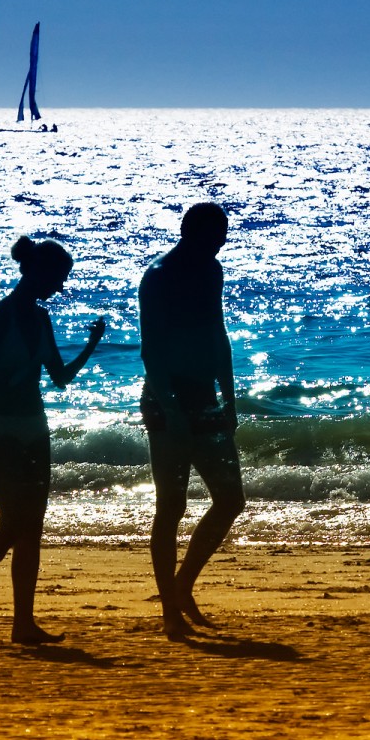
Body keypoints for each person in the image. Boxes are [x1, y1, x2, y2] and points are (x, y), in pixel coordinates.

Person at [0, 236, 105, 644]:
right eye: (57, 278)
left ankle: (23, 624)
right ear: (36, 272)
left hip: (35, 430)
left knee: (32, 529)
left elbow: (59, 378)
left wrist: (91, 345)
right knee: (11, 526)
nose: (60, 288)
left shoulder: (41, 320)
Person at [139, 202, 245, 640]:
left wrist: (230, 394)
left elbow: (217, 332)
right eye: (215, 236)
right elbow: (152, 349)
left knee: (230, 498)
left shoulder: (211, 270)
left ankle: (183, 586)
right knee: (172, 507)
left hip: (204, 397)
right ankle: (169, 609)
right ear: (191, 233)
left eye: (223, 236)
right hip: (167, 402)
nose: (221, 243)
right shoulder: (159, 276)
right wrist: (173, 410)